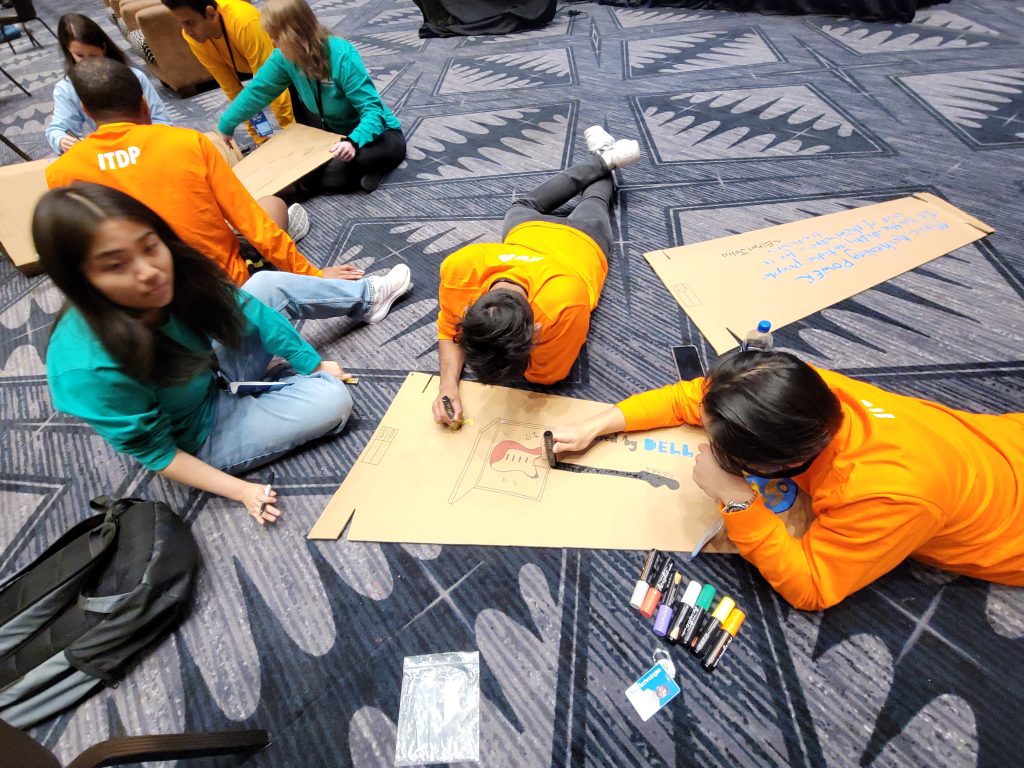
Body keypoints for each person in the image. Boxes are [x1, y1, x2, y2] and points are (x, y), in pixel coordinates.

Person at [36, 183, 413, 524]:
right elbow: (160, 455)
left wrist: (311, 363)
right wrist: (243, 491)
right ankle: (270, 392)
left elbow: (247, 307)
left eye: (149, 246)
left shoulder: (174, 268)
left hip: (209, 370)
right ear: (79, 281)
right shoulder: (87, 367)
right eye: (116, 265)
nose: (149, 272)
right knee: (332, 399)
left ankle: (366, 299)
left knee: (265, 283)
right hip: (199, 434)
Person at [550, 350, 1024, 610]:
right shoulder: (803, 388)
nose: (698, 425)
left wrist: (736, 499)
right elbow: (691, 397)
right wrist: (600, 422)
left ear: (774, 466)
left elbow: (813, 587)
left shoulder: (880, 496)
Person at [46, 57, 333, 286]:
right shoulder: (188, 142)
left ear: (85, 109)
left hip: (145, 298)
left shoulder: (61, 173)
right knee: (272, 205)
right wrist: (314, 277)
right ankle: (260, 265)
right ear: (144, 103)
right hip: (226, 285)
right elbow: (251, 220)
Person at [431, 126, 639, 427]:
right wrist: (447, 384)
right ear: (467, 308)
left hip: (582, 241)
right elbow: (449, 330)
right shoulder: (459, 267)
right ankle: (603, 158)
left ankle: (604, 160)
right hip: (527, 231)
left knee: (595, 202)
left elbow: (547, 376)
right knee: (522, 205)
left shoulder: (564, 303)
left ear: (537, 330)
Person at [217, 0, 405, 194]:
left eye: (276, 37)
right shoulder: (283, 57)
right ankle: (349, 178)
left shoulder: (342, 55)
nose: (273, 43)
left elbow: (373, 111)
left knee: (342, 165)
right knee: (296, 160)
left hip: (376, 134)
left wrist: (353, 141)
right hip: (329, 136)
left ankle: (328, 180)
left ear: (294, 34)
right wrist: (227, 124)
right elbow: (257, 91)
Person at [161, 0, 293, 145]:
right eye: (181, 23)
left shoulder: (243, 21)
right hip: (244, 64)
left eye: (190, 23)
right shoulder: (194, 38)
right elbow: (231, 88)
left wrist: (291, 129)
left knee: (298, 116)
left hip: (291, 64)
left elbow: (270, 81)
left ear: (210, 13)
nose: (186, 31)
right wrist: (260, 139)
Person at [47, 13, 172, 156]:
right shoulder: (67, 88)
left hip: (146, 146)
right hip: (108, 152)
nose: (89, 63)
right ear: (68, 52)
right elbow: (57, 129)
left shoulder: (133, 76)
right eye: (80, 56)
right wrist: (60, 139)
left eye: (94, 55)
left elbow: (163, 121)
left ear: (104, 48)